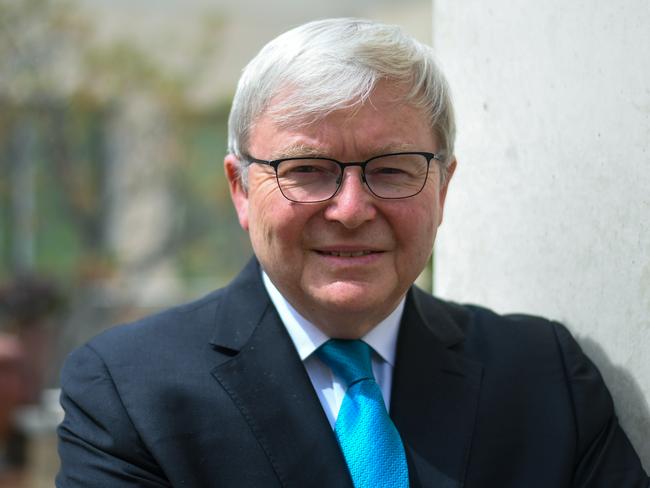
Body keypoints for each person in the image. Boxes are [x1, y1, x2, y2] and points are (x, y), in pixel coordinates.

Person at [56, 18, 648, 487]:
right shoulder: (130, 392)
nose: (351, 208)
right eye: (308, 170)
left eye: (392, 170)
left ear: (443, 188)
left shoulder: (545, 376)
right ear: (240, 190)